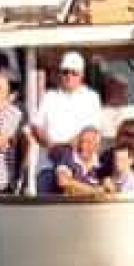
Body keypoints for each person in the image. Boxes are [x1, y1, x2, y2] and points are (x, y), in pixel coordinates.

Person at [31, 51, 102, 194]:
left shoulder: (91, 97)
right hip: (47, 166)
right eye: (65, 72)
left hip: (80, 167)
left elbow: (92, 131)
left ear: (82, 75)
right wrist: (52, 146)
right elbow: (36, 127)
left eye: (74, 73)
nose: (69, 76)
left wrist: (64, 149)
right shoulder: (49, 96)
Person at [53, 126, 105, 197]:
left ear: (97, 146)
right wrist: (93, 190)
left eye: (89, 142)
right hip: (68, 205)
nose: (83, 146)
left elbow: (107, 188)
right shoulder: (67, 157)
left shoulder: (101, 163)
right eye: (81, 141)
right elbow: (63, 181)